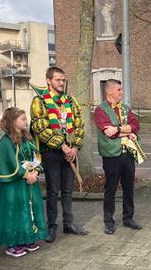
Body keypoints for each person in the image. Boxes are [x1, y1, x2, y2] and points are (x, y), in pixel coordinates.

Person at [30, 66, 87, 242]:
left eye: (63, 80)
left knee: (68, 191)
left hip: (71, 153)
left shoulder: (71, 101)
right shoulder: (39, 101)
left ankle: (68, 224)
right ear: (48, 81)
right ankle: (52, 227)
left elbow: (79, 125)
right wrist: (62, 146)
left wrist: (75, 147)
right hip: (52, 153)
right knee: (53, 191)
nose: (62, 83)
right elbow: (40, 127)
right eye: (58, 80)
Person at [0, 108, 47, 257]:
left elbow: (35, 157)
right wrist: (26, 175)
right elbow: (10, 162)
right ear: (12, 121)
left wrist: (36, 171)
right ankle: (12, 243)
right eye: (22, 119)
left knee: (28, 209)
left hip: (29, 182)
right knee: (14, 211)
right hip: (14, 185)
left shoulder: (26, 138)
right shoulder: (5, 141)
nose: (26, 121)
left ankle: (27, 238)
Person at [94, 79, 142, 234]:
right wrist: (127, 132)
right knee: (111, 189)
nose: (122, 92)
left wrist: (119, 129)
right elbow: (108, 132)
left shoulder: (125, 109)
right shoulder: (100, 110)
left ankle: (128, 218)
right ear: (110, 92)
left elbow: (136, 125)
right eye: (119, 90)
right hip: (111, 156)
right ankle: (109, 221)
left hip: (127, 154)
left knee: (129, 188)